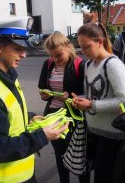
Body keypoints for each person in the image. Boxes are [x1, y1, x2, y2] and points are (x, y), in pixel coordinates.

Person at [0, 17, 68, 183]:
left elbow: (8, 114)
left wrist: (30, 117)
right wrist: (42, 136)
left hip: (20, 175)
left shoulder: (5, 75)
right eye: (18, 49)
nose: (24, 55)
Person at [72, 22, 125, 183]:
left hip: (112, 137)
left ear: (100, 42)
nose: (84, 52)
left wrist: (92, 105)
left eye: (87, 47)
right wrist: (79, 99)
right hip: (92, 132)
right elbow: (94, 94)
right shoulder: (89, 64)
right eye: (81, 47)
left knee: (104, 178)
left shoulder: (113, 65)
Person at [38, 31, 89, 183]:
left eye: (58, 55)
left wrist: (72, 96)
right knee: (60, 155)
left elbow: (88, 94)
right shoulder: (48, 64)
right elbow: (42, 88)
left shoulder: (81, 64)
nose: (55, 59)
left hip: (74, 117)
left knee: (79, 157)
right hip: (53, 115)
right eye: (51, 55)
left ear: (68, 47)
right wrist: (45, 95)